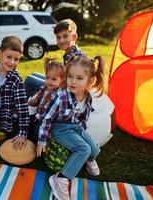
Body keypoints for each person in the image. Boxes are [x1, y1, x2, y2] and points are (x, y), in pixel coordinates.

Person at [37, 56, 105, 200]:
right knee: (83, 149)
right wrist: (42, 140)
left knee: (94, 150)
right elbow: (47, 119)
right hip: (59, 129)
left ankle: (89, 159)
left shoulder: (87, 97)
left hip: (75, 127)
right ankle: (61, 178)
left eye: (79, 78)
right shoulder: (61, 96)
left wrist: (82, 134)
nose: (73, 81)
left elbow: (83, 118)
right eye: (70, 77)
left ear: (90, 81)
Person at [24, 18, 85, 98]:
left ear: (74, 37)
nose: (61, 40)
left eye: (65, 36)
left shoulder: (75, 57)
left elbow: (70, 83)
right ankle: (38, 101)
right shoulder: (71, 52)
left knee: (30, 80)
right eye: (58, 37)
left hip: (66, 91)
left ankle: (21, 108)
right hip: (63, 84)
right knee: (34, 74)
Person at [28, 57, 66, 138]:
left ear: (62, 81)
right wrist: (35, 101)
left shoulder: (57, 95)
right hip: (39, 116)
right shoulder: (44, 88)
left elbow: (47, 112)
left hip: (49, 122)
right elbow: (39, 98)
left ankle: (39, 138)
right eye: (47, 78)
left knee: (37, 129)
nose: (49, 81)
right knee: (26, 120)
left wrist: (36, 117)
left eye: (54, 79)